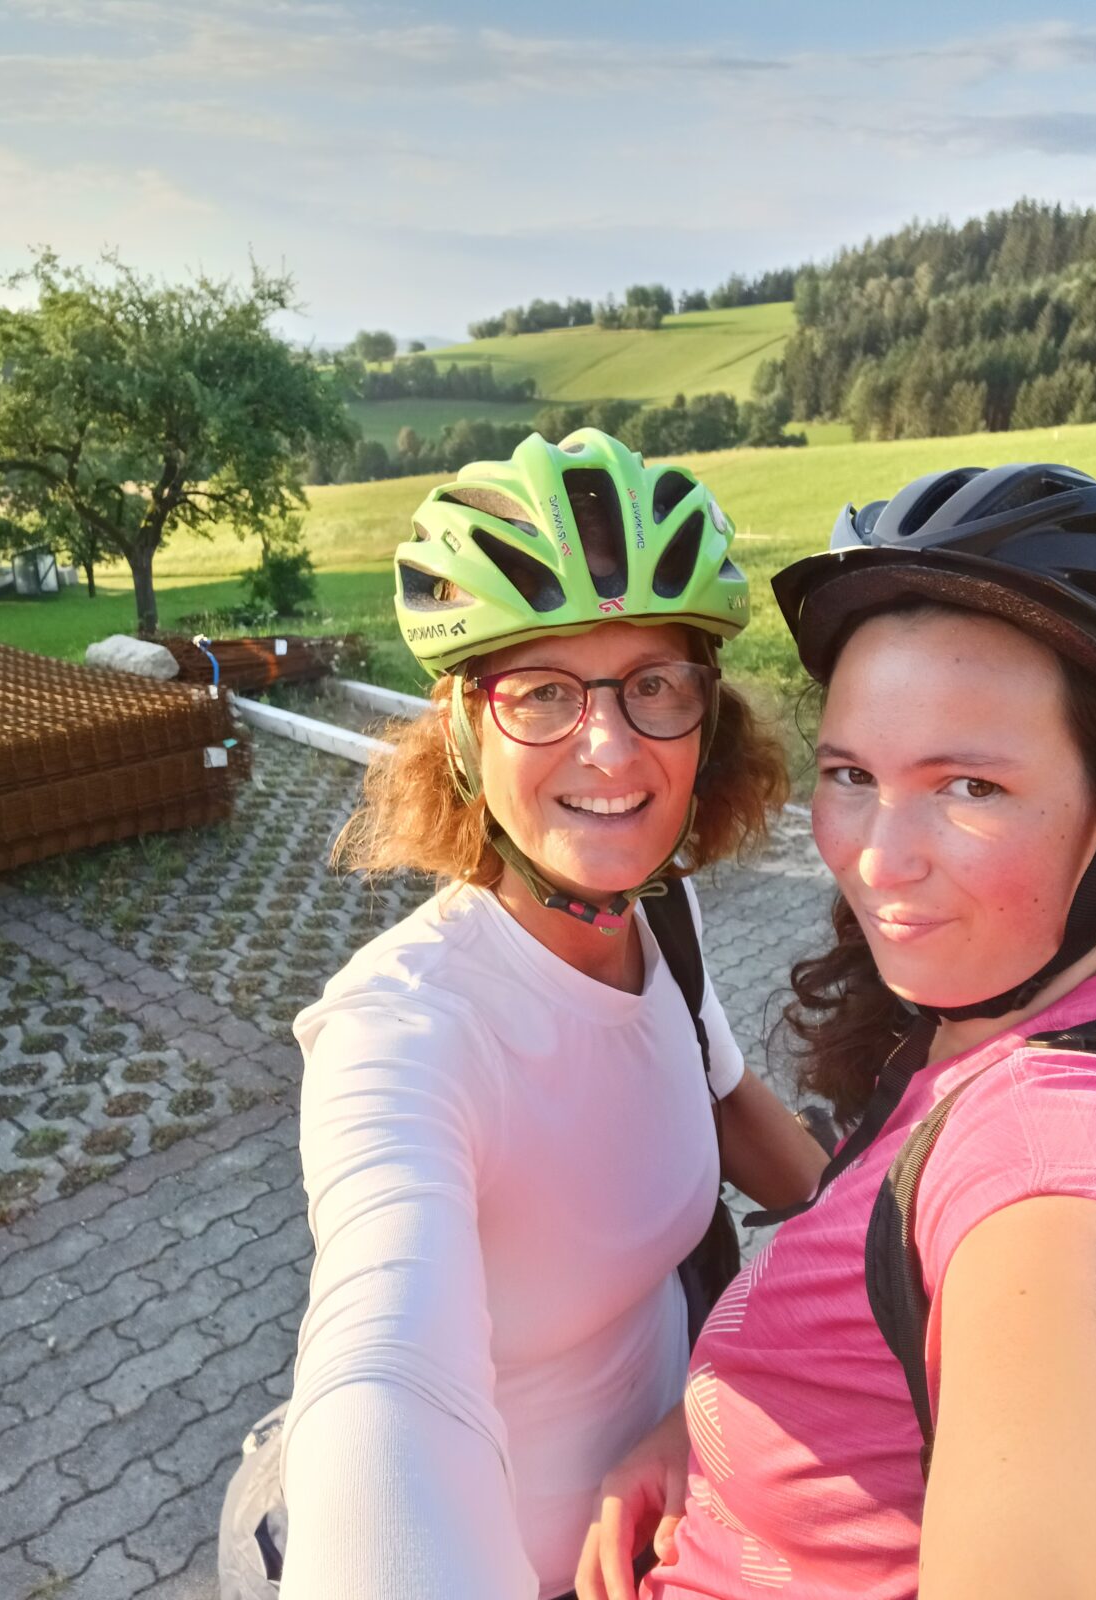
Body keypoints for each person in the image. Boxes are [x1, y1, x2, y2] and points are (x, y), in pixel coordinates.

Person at [577, 463, 1096, 1600]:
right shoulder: (1025, 1002)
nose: (877, 855)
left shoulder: (1061, 1171)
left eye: (969, 785)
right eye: (852, 773)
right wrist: (709, 1440)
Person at [273, 429, 828, 1600]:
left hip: (691, 1518)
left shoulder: (657, 923)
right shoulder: (403, 1028)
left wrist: (899, 1243)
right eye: (541, 691)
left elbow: (745, 1122)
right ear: (464, 729)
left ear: (706, 714)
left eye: (654, 683)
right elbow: (383, 1360)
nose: (612, 744)